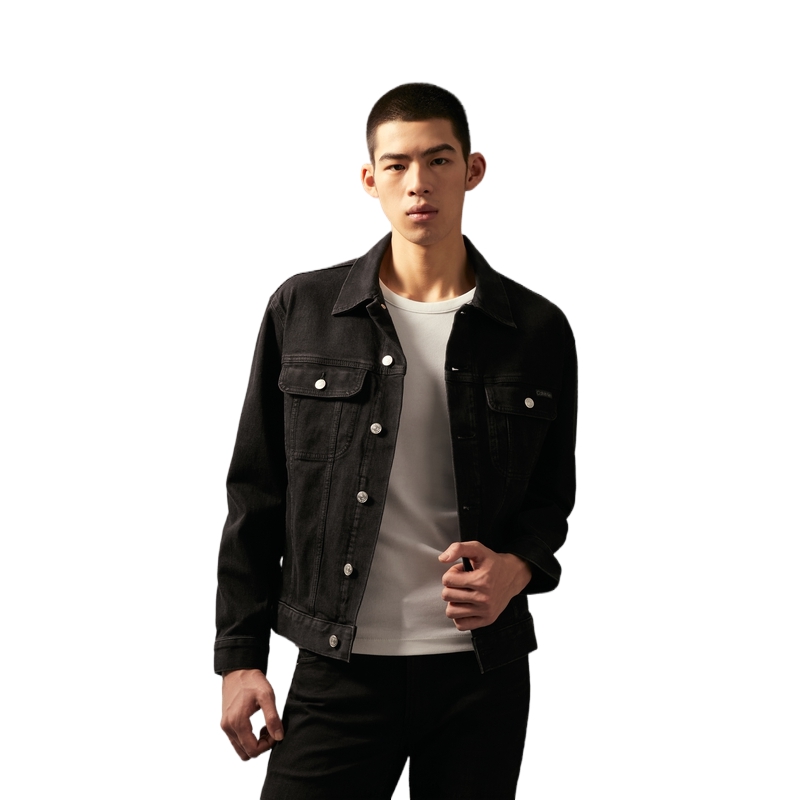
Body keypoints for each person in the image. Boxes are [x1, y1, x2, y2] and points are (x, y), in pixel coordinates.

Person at [215, 82, 578, 799]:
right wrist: (239, 657)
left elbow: (550, 499)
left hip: (481, 675)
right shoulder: (305, 309)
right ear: (369, 178)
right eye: (398, 164)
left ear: (472, 170)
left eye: (438, 160)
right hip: (339, 666)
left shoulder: (536, 329)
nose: (419, 183)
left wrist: (517, 569)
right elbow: (256, 492)